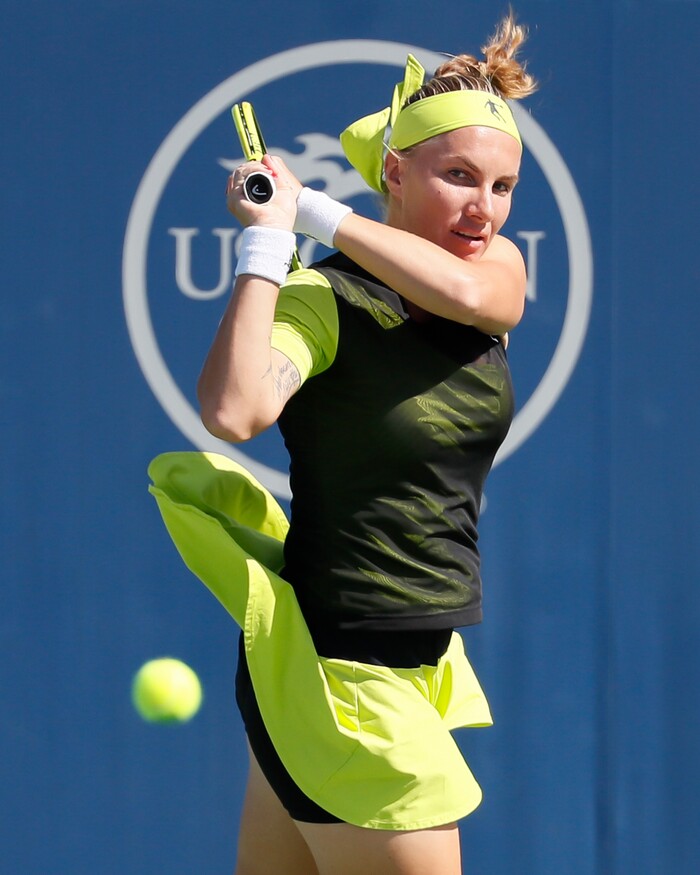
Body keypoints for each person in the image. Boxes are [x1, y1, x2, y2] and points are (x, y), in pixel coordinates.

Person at [150, 12, 537, 875]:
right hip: (344, 678)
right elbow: (235, 409)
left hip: (412, 666)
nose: (484, 208)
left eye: (503, 186)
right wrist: (266, 244)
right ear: (395, 171)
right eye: (460, 177)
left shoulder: (494, 272)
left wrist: (318, 210)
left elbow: (489, 300)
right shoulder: (323, 302)